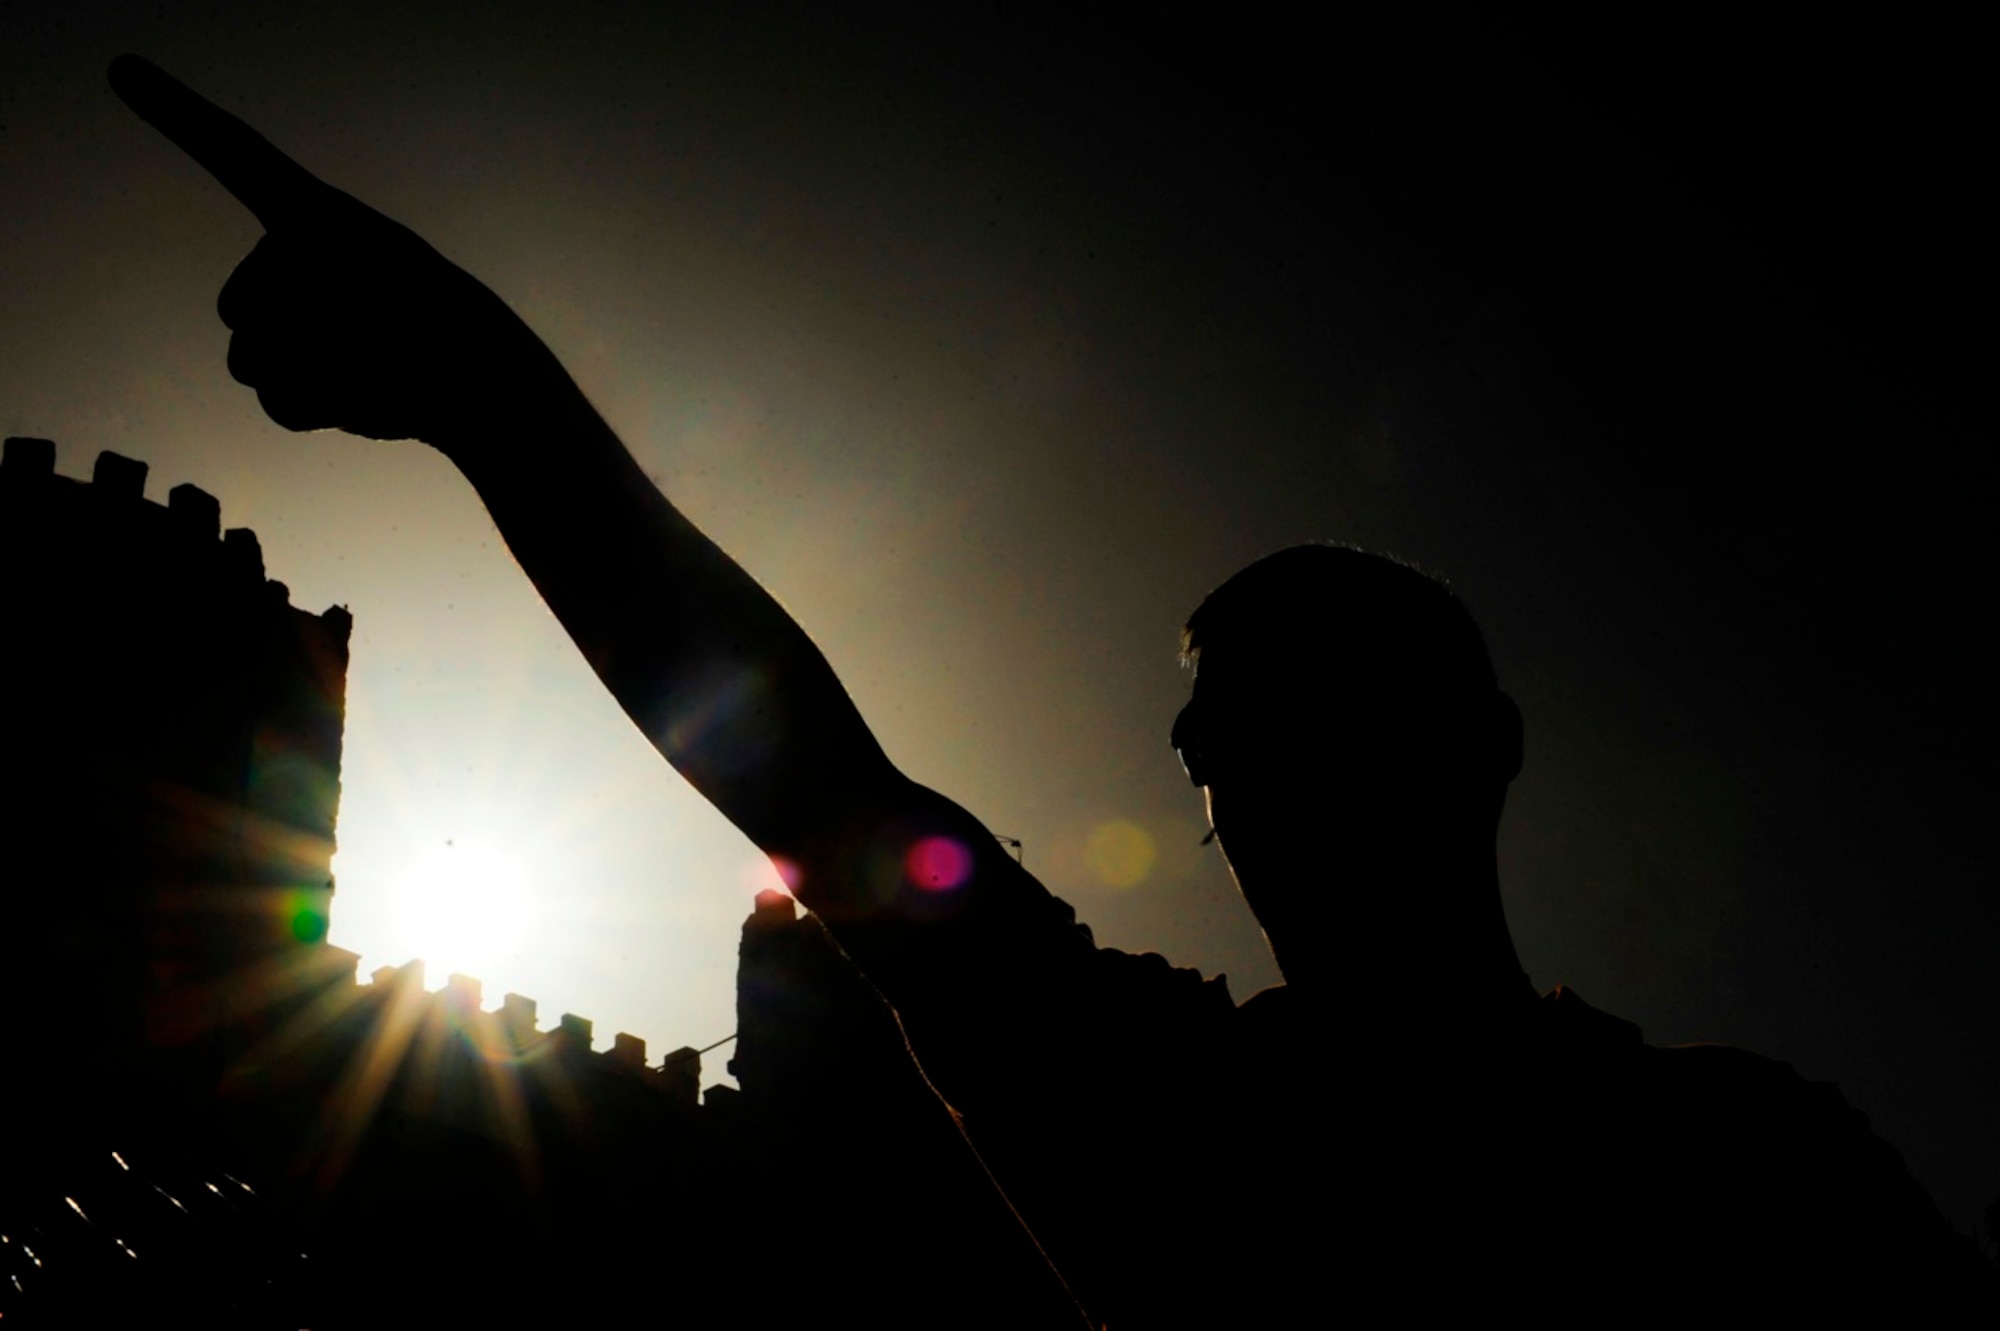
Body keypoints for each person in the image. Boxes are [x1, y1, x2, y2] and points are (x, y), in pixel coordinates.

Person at [109, 56, 1990, 1322]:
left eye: (1304, 706)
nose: (1231, 768)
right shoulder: (1184, 1120)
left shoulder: (1755, 1172)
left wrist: (484, 391)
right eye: (1216, 736)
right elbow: (818, 783)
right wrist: (484, 395)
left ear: (1477, 746)